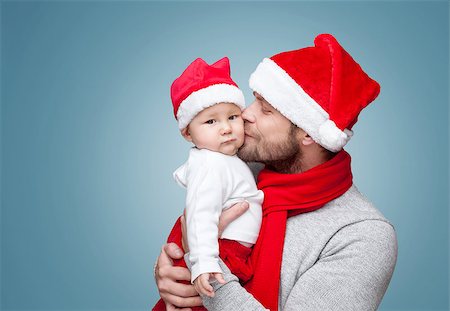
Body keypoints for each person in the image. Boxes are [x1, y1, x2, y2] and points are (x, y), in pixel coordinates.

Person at [154, 34, 398, 311]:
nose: (245, 113)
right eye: (254, 100)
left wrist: (207, 273)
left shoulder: (363, 235)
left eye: (266, 110)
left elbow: (199, 248)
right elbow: (190, 238)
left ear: (308, 133)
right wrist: (169, 270)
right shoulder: (243, 170)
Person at [153, 57, 264, 310]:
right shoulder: (210, 165)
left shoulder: (228, 159)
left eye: (233, 116)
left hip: (227, 250)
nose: (226, 128)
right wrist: (202, 262)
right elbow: (201, 215)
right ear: (187, 133)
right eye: (211, 121)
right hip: (217, 251)